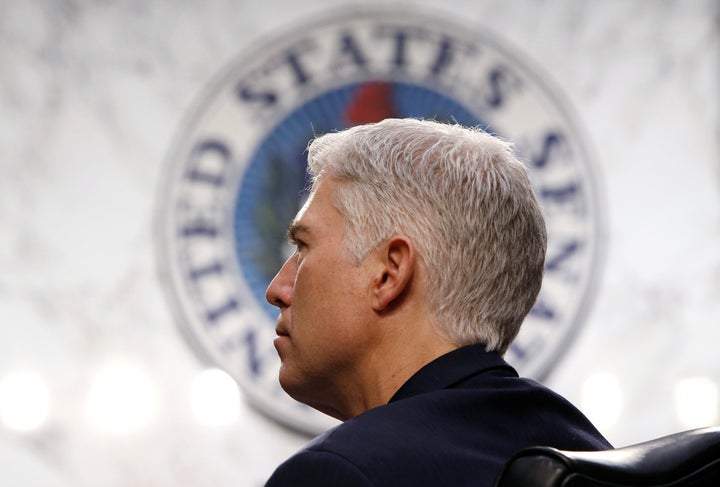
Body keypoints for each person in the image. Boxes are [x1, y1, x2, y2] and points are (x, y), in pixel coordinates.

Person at [264, 118, 611, 486]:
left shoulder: (342, 473)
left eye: (303, 248)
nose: (277, 289)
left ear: (388, 273)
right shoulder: (595, 456)